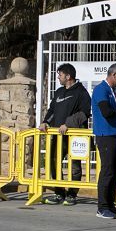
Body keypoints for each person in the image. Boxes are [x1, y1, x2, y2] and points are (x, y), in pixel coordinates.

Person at [39, 63, 92, 205]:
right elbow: (52, 110)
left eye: (60, 75)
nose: (58, 77)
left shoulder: (82, 92)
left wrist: (68, 123)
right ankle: (59, 193)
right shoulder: (59, 92)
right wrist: (45, 122)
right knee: (53, 161)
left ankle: (72, 194)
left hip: (75, 135)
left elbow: (84, 113)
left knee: (74, 165)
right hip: (57, 135)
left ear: (68, 76)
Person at [92, 64, 116, 219]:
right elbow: (106, 112)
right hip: (104, 134)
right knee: (108, 170)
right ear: (114, 75)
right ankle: (102, 207)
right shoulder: (101, 89)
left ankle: (111, 204)